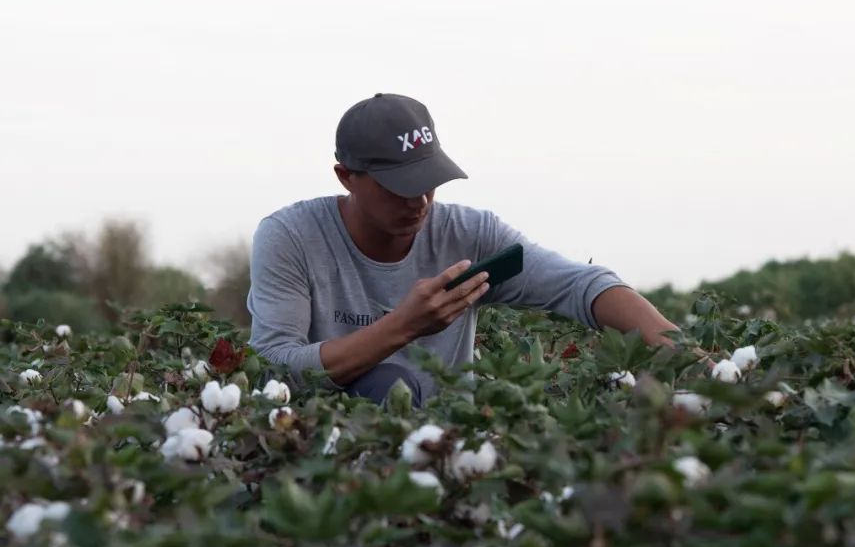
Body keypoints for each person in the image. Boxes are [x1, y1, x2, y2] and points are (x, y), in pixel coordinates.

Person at [246, 93, 711, 407]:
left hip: (453, 445)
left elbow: (582, 286)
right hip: (333, 445)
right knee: (386, 385)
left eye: (428, 181)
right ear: (346, 177)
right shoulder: (291, 237)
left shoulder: (469, 235)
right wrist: (403, 326)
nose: (418, 201)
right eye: (397, 186)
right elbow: (275, 367)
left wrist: (706, 368)